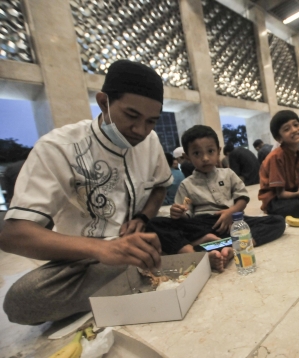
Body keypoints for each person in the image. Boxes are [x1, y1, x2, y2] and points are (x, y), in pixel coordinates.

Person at [0, 60, 173, 325]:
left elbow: (160, 186)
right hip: (84, 260)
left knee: (174, 235)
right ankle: (132, 279)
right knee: (22, 300)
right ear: (103, 102)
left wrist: (143, 218)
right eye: (131, 116)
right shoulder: (59, 148)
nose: (141, 130)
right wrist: (101, 249)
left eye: (151, 121)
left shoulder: (150, 142)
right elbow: (13, 234)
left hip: (138, 246)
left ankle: (128, 280)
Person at [147, 125, 285, 271]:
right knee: (154, 223)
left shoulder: (228, 174)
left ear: (218, 151)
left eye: (210, 151)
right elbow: (186, 214)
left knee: (277, 221)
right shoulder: (186, 185)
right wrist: (179, 213)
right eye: (196, 154)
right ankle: (194, 254)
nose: (205, 158)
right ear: (187, 157)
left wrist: (231, 212)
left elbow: (242, 197)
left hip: (232, 222)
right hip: (202, 225)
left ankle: (231, 246)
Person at [259, 110, 299, 218]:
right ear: (279, 138)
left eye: (296, 125)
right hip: (275, 201)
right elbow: (280, 194)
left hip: (292, 195)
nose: (294, 130)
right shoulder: (276, 157)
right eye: (287, 129)